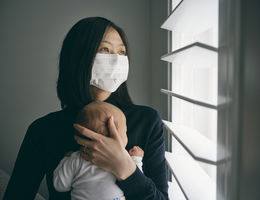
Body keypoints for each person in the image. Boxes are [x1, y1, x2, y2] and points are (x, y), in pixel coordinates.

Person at [3, 17, 169, 200]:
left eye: (122, 52)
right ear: (79, 56)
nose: (116, 59)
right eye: (105, 49)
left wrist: (126, 168)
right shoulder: (43, 130)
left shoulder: (146, 121)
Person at [53, 101, 144, 200]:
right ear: (115, 132)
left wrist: (66, 159)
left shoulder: (76, 159)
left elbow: (60, 185)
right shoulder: (124, 157)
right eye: (125, 132)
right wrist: (136, 159)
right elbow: (137, 182)